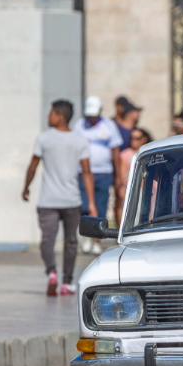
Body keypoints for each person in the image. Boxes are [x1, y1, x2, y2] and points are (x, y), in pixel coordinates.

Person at [22, 99, 94, 295]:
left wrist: (26, 187)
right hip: (72, 201)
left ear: (59, 116)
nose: (48, 116)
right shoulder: (80, 140)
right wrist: (92, 202)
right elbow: (87, 173)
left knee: (47, 240)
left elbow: (33, 165)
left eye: (51, 113)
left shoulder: (43, 139)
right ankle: (67, 283)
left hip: (48, 201)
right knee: (71, 241)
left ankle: (52, 273)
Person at [72, 95, 123, 255]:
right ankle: (86, 235)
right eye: (90, 115)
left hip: (104, 172)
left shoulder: (109, 126)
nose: (92, 118)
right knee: (86, 206)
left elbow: (115, 151)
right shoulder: (79, 125)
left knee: (100, 206)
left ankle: (97, 240)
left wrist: (118, 174)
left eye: (94, 115)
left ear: (100, 111)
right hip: (83, 172)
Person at [115, 127, 151, 226]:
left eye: (137, 138)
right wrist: (122, 187)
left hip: (146, 188)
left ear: (144, 139)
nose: (134, 141)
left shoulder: (147, 152)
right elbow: (122, 173)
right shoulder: (125, 154)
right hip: (129, 187)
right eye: (132, 138)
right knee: (127, 211)